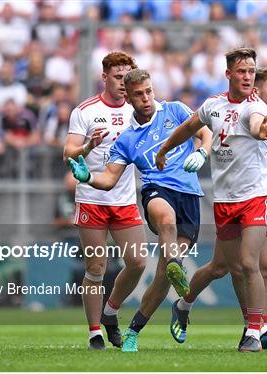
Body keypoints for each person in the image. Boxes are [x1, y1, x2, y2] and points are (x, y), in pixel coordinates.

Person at [67, 68, 212, 353]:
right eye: (138, 95)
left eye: (148, 91)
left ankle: (134, 329)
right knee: (165, 219)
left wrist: (202, 152)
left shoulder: (176, 110)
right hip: (157, 191)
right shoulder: (127, 139)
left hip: (190, 196)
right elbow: (108, 180)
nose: (145, 98)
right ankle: (175, 264)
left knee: (160, 277)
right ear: (130, 99)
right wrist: (87, 178)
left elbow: (205, 133)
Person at [167, 66, 267, 350]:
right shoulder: (243, 113)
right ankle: (184, 304)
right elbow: (239, 144)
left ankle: (260, 329)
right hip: (232, 198)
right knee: (222, 267)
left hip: (261, 198)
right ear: (257, 92)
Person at [63, 52, 147, 350]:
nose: (124, 83)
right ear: (105, 77)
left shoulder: (140, 110)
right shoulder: (85, 111)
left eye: (128, 76)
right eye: (118, 77)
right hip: (92, 199)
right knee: (96, 267)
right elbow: (68, 154)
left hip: (124, 200)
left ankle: (110, 311)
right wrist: (88, 145)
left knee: (137, 262)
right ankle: (95, 331)